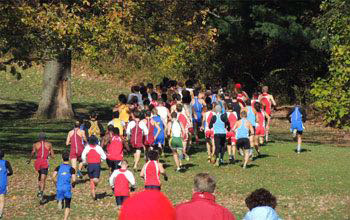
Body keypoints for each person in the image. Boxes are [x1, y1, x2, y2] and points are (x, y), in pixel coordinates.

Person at [28, 132, 54, 202]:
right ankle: (41, 195)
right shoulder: (49, 144)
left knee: (40, 176)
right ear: (45, 138)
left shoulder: (35, 144)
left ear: (39, 138)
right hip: (44, 162)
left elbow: (33, 153)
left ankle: (39, 191)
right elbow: (53, 156)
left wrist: (29, 160)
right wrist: (49, 154)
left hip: (37, 162)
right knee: (43, 179)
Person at [52, 152, 76, 220]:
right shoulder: (72, 169)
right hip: (67, 188)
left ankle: (60, 200)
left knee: (60, 195)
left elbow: (53, 177)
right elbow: (74, 180)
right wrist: (73, 185)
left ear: (62, 159)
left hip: (59, 187)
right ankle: (65, 219)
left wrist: (55, 184)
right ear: (68, 159)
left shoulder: (58, 167)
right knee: (67, 205)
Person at [81, 135, 107, 200]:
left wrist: (84, 161)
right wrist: (101, 160)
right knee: (96, 178)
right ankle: (96, 181)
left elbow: (83, 155)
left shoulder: (87, 147)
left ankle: (93, 192)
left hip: (89, 165)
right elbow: (104, 157)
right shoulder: (99, 148)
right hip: (97, 164)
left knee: (91, 179)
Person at [0, 149, 13, 219]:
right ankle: (0, 213)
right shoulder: (6, 162)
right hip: (2, 182)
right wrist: (5, 173)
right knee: (1, 199)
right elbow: (11, 172)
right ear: (3, 155)